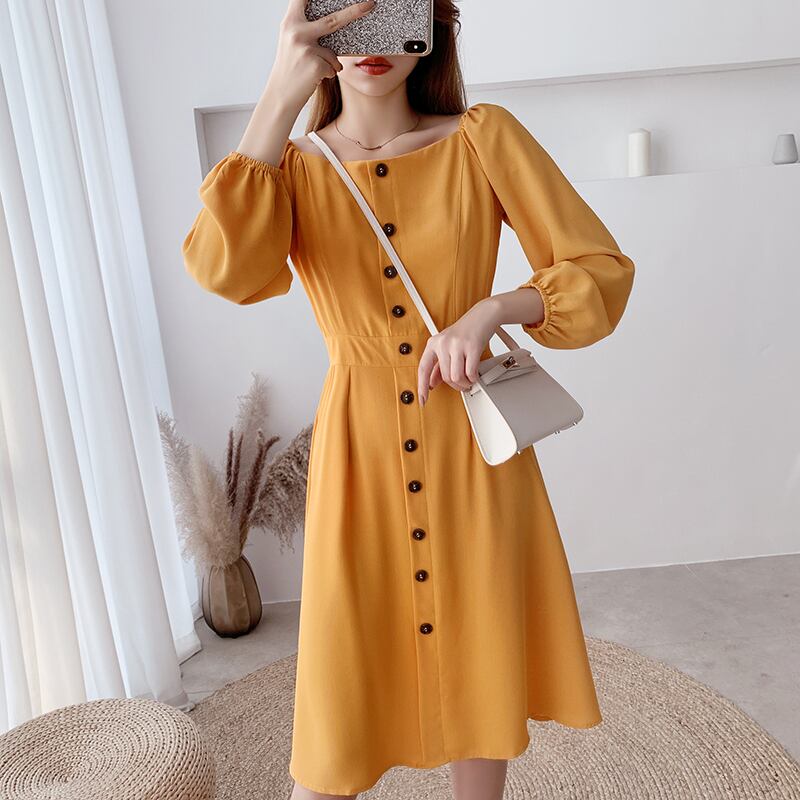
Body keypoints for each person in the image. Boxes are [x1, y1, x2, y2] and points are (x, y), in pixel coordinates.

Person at [182, 0, 635, 797]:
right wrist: (281, 89)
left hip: (471, 445)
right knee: (341, 690)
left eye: (393, 9)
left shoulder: (484, 138)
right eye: (348, 15)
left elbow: (598, 269)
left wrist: (492, 308)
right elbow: (227, 270)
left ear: (430, 24)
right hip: (358, 455)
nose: (373, 41)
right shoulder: (291, 170)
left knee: (479, 642)